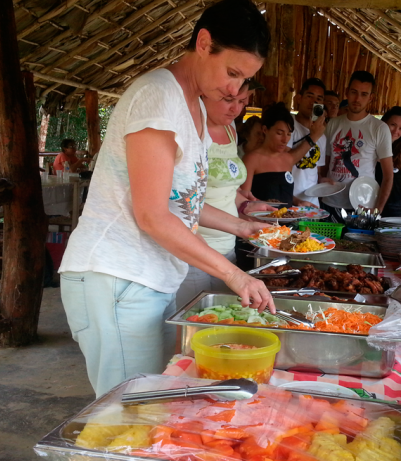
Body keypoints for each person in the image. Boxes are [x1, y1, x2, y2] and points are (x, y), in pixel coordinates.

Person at [58, 0, 273, 397]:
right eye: (231, 73)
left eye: (244, 80)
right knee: (127, 412)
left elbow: (181, 202)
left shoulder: (193, 106)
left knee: (150, 405)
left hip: (147, 279)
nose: (234, 89)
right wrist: (232, 273)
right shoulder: (159, 97)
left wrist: (243, 226)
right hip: (116, 275)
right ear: (204, 43)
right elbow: (153, 215)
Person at [176, 82, 274, 308]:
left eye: (242, 102)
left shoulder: (231, 131)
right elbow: (179, 200)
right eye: (229, 100)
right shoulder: (189, 132)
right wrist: (241, 225)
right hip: (196, 251)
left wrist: (246, 206)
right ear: (206, 93)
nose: (236, 110)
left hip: (227, 248)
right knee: (196, 323)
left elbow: (227, 190)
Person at [321, 71, 393, 215]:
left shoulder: (379, 128)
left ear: (371, 98)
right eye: (354, 92)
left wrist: (377, 210)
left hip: (363, 205)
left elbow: (388, 175)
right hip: (330, 202)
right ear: (347, 92)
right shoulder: (332, 125)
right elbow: (325, 162)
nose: (357, 98)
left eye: (364, 94)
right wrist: (321, 181)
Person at [241, 102, 298, 207]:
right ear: (265, 130)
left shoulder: (288, 159)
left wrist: (298, 202)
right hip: (259, 220)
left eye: (289, 134)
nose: (285, 140)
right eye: (279, 133)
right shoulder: (251, 159)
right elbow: (243, 198)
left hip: (288, 221)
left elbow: (283, 194)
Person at [288, 77, 330, 207]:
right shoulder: (288, 127)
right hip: (290, 201)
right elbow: (284, 162)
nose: (314, 102)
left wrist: (322, 181)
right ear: (299, 99)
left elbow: (315, 170)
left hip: (311, 204)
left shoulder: (321, 136)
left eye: (319, 99)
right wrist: (312, 137)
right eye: (310, 96)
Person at [375, 107, 401, 217]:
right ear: (383, 123)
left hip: (395, 210)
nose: (396, 131)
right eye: (393, 125)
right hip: (370, 205)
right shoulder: (371, 147)